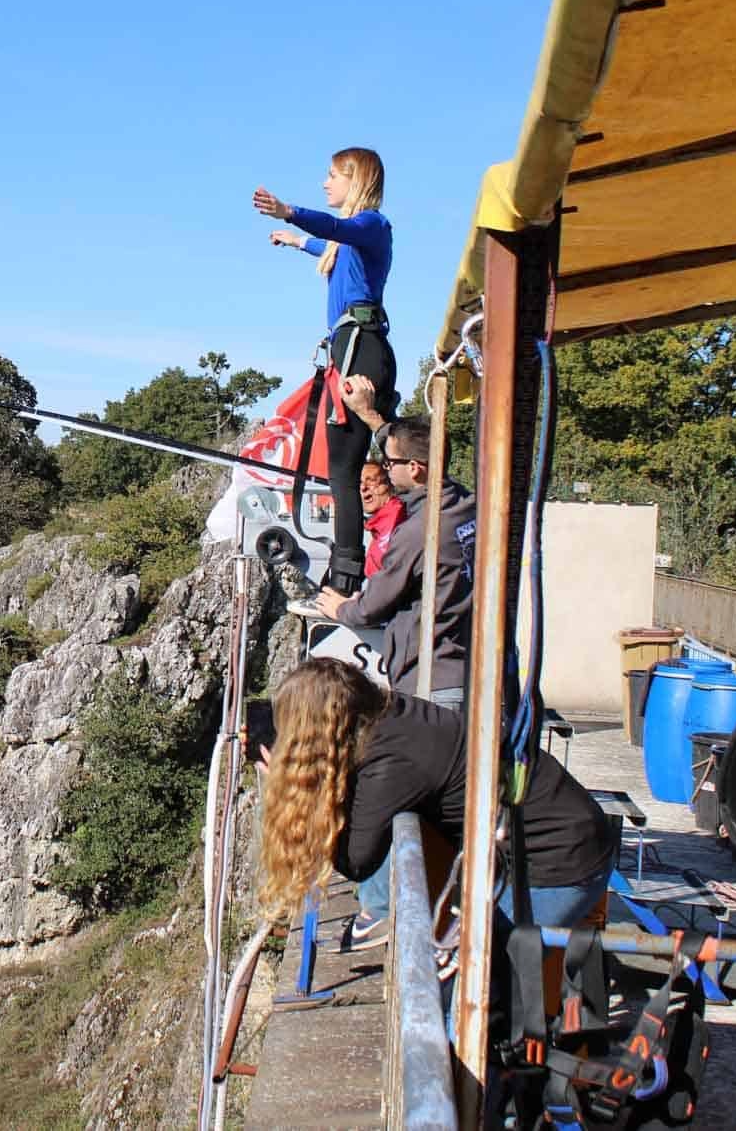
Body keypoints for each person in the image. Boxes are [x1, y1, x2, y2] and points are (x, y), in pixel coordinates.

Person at [256, 658, 614, 958]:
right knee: (468, 980)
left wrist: (298, 789)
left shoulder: (391, 761)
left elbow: (356, 861)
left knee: (469, 993)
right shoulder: (391, 716)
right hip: (561, 835)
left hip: (559, 860)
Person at [254, 149, 397, 595]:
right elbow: (330, 247)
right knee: (342, 472)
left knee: (346, 470)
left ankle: (347, 579)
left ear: (356, 179)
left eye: (333, 175)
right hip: (350, 346)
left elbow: (337, 231)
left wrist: (290, 212)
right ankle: (347, 571)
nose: (325, 183)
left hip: (361, 348)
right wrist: (296, 241)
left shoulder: (372, 224)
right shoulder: (350, 242)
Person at [304, 398, 475, 707]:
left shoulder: (418, 531)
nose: (387, 468)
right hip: (469, 674)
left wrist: (341, 608)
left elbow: (370, 608)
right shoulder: (466, 506)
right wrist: (369, 414)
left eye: (389, 463)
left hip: (430, 683)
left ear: (415, 468)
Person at [357, 459, 404, 577]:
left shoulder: (395, 519)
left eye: (371, 481)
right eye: (359, 483)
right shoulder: (380, 524)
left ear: (388, 485)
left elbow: (387, 577)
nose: (363, 487)